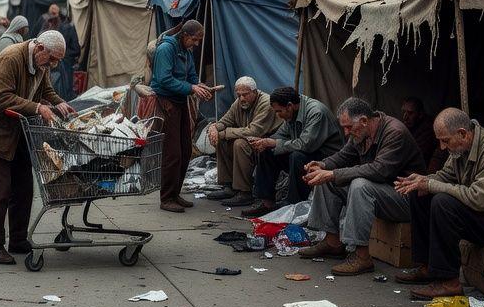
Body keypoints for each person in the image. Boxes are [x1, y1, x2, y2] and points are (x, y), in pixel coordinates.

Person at [392, 107, 484, 300]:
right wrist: (421, 181)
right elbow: (446, 176)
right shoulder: (460, 147)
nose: (443, 148)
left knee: (443, 202)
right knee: (420, 193)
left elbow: (479, 199)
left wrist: (432, 184)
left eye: (445, 141)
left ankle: (449, 282)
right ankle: (427, 267)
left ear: (462, 133)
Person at [0, 30, 74, 263]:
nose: (54, 65)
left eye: (57, 61)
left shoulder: (41, 64)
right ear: (39, 49)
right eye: (52, 59)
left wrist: (59, 103)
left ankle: (17, 238)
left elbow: (45, 90)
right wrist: (37, 108)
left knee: (24, 189)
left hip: (18, 133)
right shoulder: (10, 58)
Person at [299, 97, 425, 276]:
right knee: (325, 179)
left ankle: (362, 256)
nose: (346, 132)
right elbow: (342, 156)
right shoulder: (361, 132)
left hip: (405, 198)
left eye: (349, 127)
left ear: (364, 121)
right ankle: (332, 242)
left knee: (360, 185)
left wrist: (333, 173)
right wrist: (322, 165)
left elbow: (379, 170)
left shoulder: (395, 132)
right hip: (382, 191)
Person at [242, 87, 346, 218]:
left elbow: (305, 145)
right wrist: (263, 142)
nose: (278, 115)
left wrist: (273, 143)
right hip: (307, 151)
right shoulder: (292, 113)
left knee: (297, 156)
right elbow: (281, 135)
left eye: (279, 111)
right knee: (267, 151)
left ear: (289, 106)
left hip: (326, 157)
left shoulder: (316, 112)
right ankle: (266, 203)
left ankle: (293, 203)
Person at [148, 22, 211, 213]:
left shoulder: (186, 50)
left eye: (199, 40)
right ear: (184, 35)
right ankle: (166, 197)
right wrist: (191, 88)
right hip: (166, 103)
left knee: (185, 150)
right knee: (172, 153)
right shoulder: (166, 49)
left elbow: (191, 75)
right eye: (194, 39)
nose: (196, 44)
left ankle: (175, 194)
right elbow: (163, 79)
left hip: (180, 102)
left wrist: (200, 86)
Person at [204, 76, 281, 207]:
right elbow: (225, 121)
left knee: (239, 144)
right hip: (250, 140)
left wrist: (224, 133)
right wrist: (213, 128)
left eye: (245, 95)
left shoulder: (265, 102)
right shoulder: (239, 102)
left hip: (266, 143)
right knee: (221, 140)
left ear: (255, 92)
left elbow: (253, 131)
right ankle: (228, 186)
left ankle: (245, 192)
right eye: (239, 95)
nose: (242, 98)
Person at [400, 97, 446, 173]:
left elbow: (415, 154)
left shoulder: (429, 128)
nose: (405, 117)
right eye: (404, 112)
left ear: (420, 114)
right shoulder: (408, 126)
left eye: (410, 113)